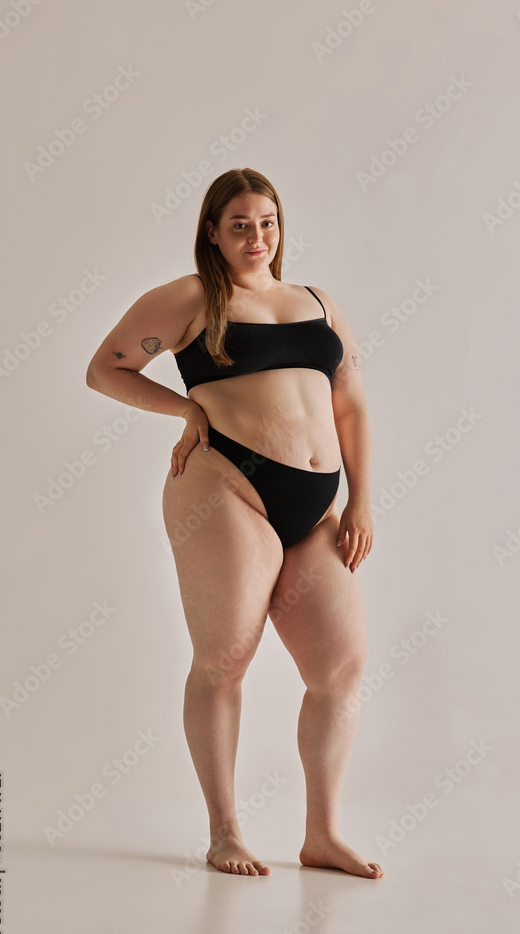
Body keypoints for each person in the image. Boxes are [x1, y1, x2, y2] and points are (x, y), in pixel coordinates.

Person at [86, 167, 383, 879]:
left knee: (339, 669)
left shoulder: (316, 302)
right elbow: (105, 370)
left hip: (316, 507)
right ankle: (224, 831)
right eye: (241, 224)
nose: (257, 236)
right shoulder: (191, 297)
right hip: (225, 486)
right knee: (224, 659)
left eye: (268, 222)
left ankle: (321, 835)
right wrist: (187, 410)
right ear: (213, 233)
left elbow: (351, 406)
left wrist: (363, 499)